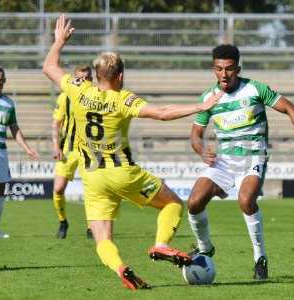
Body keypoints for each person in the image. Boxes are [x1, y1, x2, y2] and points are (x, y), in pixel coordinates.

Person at [42, 15, 221, 290]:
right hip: (122, 172)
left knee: (103, 239)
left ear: (97, 74)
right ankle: (161, 244)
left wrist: (59, 42)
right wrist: (200, 107)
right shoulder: (123, 98)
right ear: (121, 76)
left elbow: (49, 66)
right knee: (172, 204)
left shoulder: (78, 89)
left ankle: (120, 268)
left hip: (91, 177)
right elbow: (161, 113)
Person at [187, 44, 294, 280]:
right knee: (194, 202)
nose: (224, 75)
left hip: (253, 157)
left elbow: (291, 109)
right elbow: (195, 135)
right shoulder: (208, 98)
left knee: (246, 200)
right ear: (213, 69)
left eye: (229, 69)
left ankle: (260, 257)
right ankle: (205, 247)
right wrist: (202, 150)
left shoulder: (255, 89)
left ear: (238, 68)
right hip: (223, 162)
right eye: (218, 69)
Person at [0, 67, 39, 239]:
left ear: (4, 81)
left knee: (0, 190)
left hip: (1, 151)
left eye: (0, 80)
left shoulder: (8, 103)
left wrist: (27, 149)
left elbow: (14, 128)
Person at [52, 65, 93, 239]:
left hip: (89, 151)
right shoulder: (64, 98)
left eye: (87, 78)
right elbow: (56, 123)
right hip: (68, 149)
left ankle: (92, 227)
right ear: (75, 80)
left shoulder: (97, 97)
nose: (84, 81)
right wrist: (56, 146)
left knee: (92, 191)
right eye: (81, 78)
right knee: (58, 189)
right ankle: (63, 221)